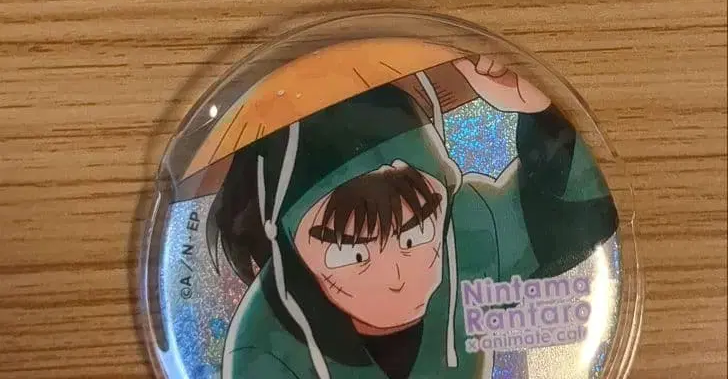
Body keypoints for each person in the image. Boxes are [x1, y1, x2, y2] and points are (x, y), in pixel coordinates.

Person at [183, 44, 617, 379]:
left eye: (414, 235)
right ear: (288, 243)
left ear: (443, 189)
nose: (396, 277)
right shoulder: (264, 349)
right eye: (352, 253)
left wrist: (540, 117)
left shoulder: (466, 232)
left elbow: (578, 216)